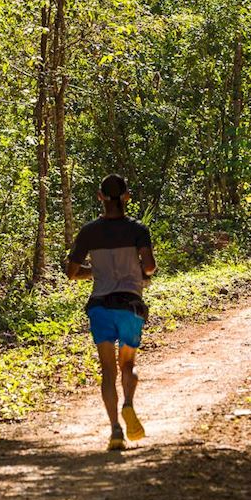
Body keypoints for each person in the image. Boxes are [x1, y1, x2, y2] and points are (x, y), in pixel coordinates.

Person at [66, 174, 157, 452]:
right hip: (129, 304)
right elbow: (150, 267)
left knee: (107, 370)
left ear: (99, 196)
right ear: (127, 197)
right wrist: (138, 270)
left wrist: (96, 271)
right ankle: (129, 404)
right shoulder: (138, 230)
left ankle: (115, 431)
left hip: (100, 306)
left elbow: (71, 272)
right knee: (127, 365)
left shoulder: (89, 232)